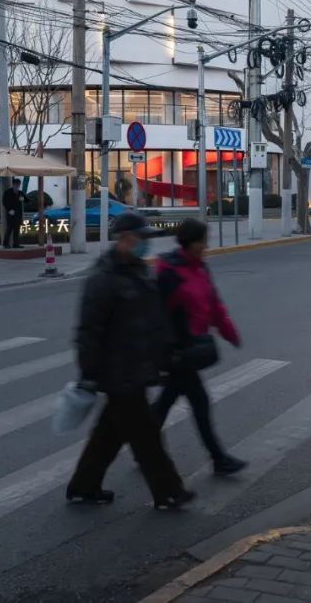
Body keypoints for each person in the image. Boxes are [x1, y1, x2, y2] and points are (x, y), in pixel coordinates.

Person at [66, 212, 193, 510]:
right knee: (146, 437)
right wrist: (89, 372)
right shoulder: (103, 279)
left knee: (108, 433)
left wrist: (163, 355)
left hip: (135, 366)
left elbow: (150, 320)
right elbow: (89, 330)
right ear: (125, 239)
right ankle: (169, 491)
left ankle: (84, 486)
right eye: (140, 238)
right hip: (118, 371)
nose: (145, 244)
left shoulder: (137, 272)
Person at [153, 219, 247, 475]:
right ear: (192, 242)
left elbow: (213, 304)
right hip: (178, 351)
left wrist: (229, 332)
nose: (207, 245)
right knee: (200, 404)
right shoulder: (169, 272)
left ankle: (144, 447)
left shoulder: (199, 268)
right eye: (203, 240)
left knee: (164, 404)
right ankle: (218, 459)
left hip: (191, 348)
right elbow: (155, 315)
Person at [1, 181, 23, 249]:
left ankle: (16, 244)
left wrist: (23, 199)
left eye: (19, 185)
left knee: (17, 229)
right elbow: (4, 202)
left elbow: (22, 202)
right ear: (13, 185)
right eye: (16, 185)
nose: (17, 186)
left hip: (18, 214)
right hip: (11, 213)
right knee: (9, 229)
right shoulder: (8, 192)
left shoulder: (20, 193)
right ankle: (5, 244)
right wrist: (9, 209)